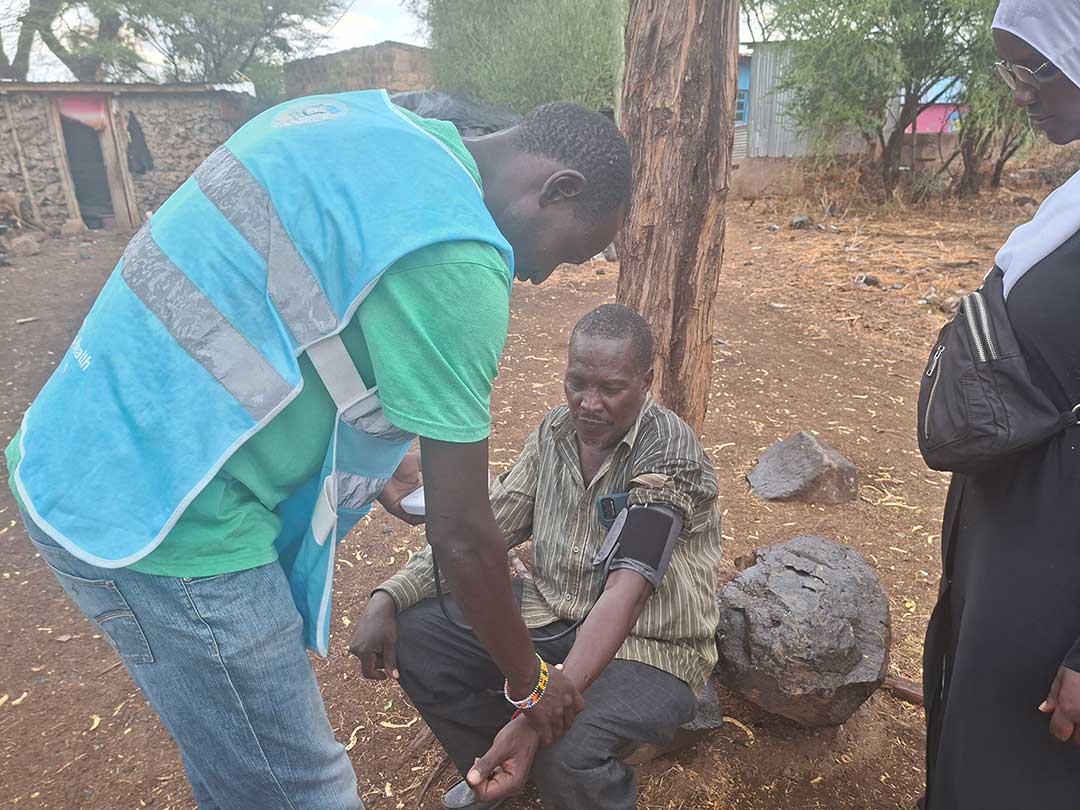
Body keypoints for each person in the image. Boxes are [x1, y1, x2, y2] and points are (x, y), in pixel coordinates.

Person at [5, 93, 632, 809]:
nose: (541, 277)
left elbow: (282, 318)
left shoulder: (350, 122)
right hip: (167, 520)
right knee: (304, 789)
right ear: (559, 189)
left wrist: (381, 461)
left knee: (239, 771)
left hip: (76, 451)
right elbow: (462, 535)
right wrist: (531, 684)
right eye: (565, 252)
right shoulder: (458, 253)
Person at [351, 304, 723, 810]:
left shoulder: (669, 452)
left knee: (569, 750)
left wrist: (536, 710)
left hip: (650, 648)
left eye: (611, 389)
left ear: (646, 381)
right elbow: (485, 525)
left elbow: (628, 591)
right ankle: (496, 770)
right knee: (419, 637)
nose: (589, 404)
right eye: (577, 384)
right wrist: (389, 594)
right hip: (552, 619)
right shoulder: (554, 435)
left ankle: (542, 754)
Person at [921, 2, 1080, 808]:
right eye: (1009, 72)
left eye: (1033, 69)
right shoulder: (1071, 200)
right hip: (1006, 543)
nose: (1020, 94)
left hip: (1058, 575)